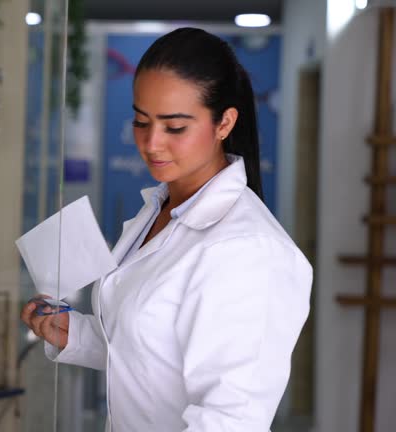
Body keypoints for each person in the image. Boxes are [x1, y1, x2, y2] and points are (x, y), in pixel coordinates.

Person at [20, 27, 312, 431]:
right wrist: (79, 336)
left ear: (224, 122)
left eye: (175, 127)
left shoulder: (249, 251)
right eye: (142, 121)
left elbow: (230, 420)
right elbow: (157, 353)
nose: (152, 143)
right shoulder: (157, 210)